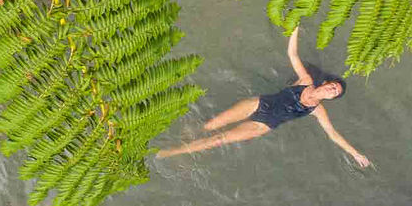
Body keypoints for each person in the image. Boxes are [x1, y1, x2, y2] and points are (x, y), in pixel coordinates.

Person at [156, 26, 371, 167]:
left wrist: (354, 154)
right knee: (210, 125)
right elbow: (292, 55)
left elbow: (333, 134)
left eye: (335, 93)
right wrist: (295, 27)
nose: (332, 90)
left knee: (218, 140)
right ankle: (187, 134)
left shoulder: (317, 110)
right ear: (325, 83)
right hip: (257, 104)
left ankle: (172, 152)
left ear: (330, 99)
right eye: (333, 86)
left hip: (263, 125)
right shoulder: (305, 80)